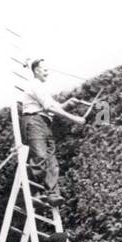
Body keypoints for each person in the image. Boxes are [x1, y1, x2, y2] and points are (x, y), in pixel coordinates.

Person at [19, 58, 87, 204]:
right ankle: (37, 193)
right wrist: (74, 118)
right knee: (39, 156)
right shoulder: (34, 85)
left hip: (44, 123)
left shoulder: (42, 89)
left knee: (51, 161)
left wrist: (67, 104)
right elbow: (49, 108)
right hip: (34, 121)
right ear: (36, 70)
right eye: (44, 70)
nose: (47, 73)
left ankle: (52, 194)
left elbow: (54, 107)